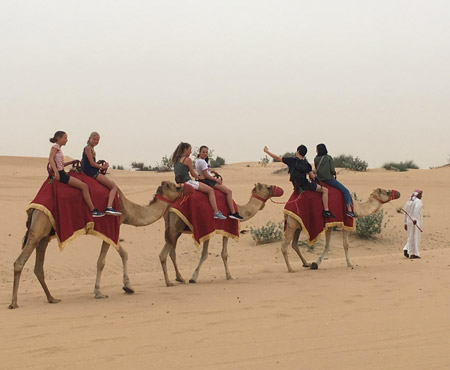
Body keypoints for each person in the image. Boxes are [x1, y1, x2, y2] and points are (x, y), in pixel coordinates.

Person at [263, 145, 336, 218]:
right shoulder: (306, 164)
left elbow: (277, 158)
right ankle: (326, 210)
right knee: (325, 190)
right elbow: (312, 176)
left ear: (298, 151)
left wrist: (267, 151)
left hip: (297, 186)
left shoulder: (291, 160)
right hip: (305, 185)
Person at [48, 131, 105, 217]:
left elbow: (59, 164)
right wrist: (56, 172)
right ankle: (93, 210)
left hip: (61, 171)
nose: (66, 140)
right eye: (65, 138)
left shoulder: (58, 148)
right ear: (58, 138)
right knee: (84, 186)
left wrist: (70, 162)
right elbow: (51, 159)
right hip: (61, 174)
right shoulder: (55, 147)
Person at [171, 142, 226, 220]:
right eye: (190, 150)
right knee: (210, 190)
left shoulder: (176, 160)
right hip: (188, 182)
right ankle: (216, 212)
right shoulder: (187, 160)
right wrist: (200, 177)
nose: (191, 152)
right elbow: (193, 174)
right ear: (185, 150)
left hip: (179, 183)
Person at [195, 146, 243, 220]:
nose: (205, 154)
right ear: (200, 152)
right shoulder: (203, 162)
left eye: (206, 152)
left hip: (203, 180)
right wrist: (216, 180)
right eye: (203, 152)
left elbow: (204, 170)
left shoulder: (198, 160)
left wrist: (212, 171)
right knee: (228, 192)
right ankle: (233, 213)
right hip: (208, 181)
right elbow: (206, 175)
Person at [81, 132, 121, 216]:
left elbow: (84, 161)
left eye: (97, 140)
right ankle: (109, 207)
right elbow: (91, 163)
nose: (95, 141)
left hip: (91, 171)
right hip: (92, 173)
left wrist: (97, 163)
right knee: (114, 187)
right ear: (89, 138)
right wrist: (102, 167)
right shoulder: (88, 149)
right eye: (94, 139)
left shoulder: (90, 149)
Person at [314, 143, 356, 218]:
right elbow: (332, 169)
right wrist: (334, 173)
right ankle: (349, 210)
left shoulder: (316, 159)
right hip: (329, 179)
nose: (316, 151)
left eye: (316, 149)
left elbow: (317, 169)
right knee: (345, 191)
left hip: (320, 180)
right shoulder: (328, 157)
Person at [403, 190, 423, 259]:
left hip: (409, 221)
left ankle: (407, 249)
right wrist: (415, 219)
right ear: (417, 195)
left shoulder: (409, 201)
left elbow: (405, 212)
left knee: (410, 236)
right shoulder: (418, 201)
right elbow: (416, 210)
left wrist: (405, 222)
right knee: (415, 237)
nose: (421, 196)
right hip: (414, 221)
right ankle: (413, 253)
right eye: (420, 194)